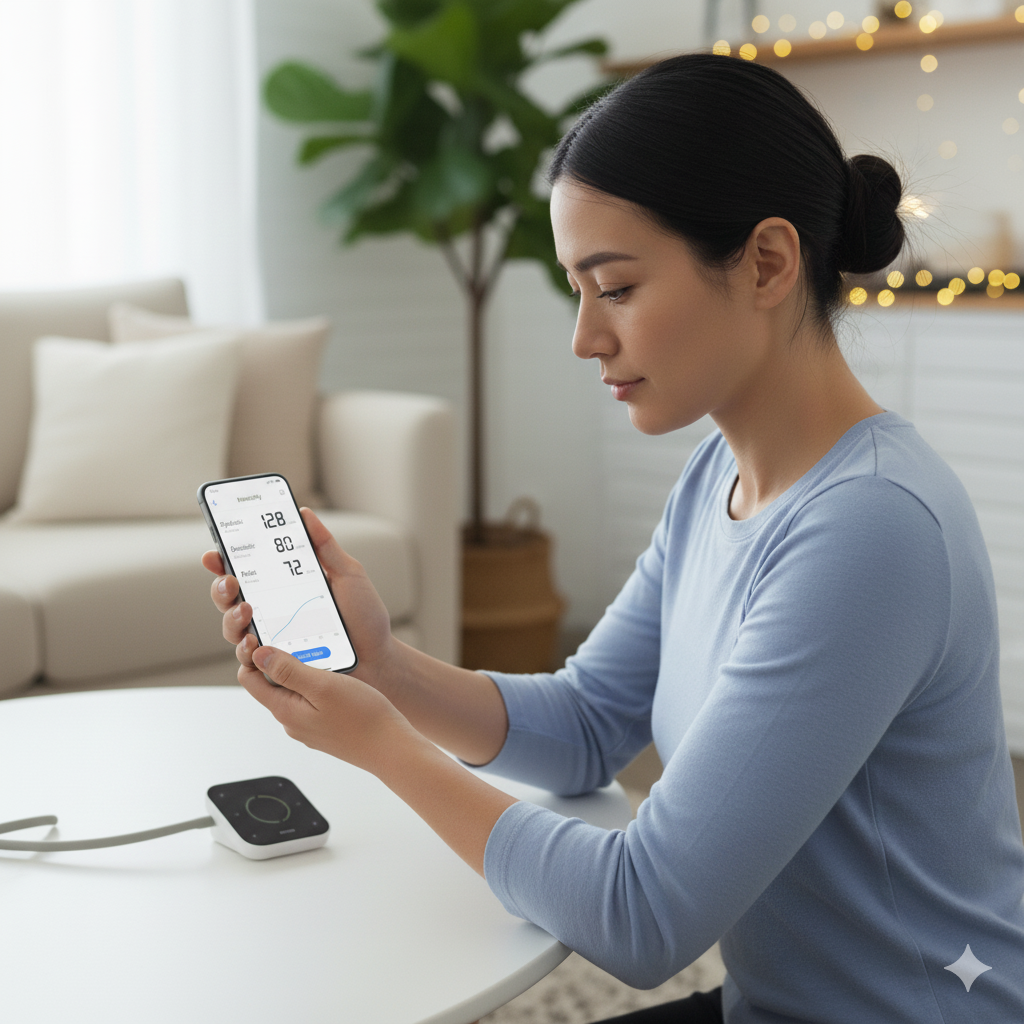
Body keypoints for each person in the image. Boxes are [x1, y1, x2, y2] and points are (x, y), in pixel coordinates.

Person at [203, 54, 1024, 1023]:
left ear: (766, 262)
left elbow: (643, 915)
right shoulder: (719, 474)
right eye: (576, 291)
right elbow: (591, 721)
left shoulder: (872, 529)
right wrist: (384, 665)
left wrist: (383, 747)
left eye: (617, 287)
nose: (584, 337)